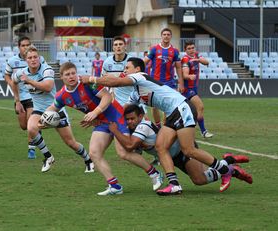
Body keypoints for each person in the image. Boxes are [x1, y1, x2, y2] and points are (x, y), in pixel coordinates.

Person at [81, 57, 239, 195]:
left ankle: (225, 170)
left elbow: (116, 82)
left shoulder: (140, 76)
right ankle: (174, 185)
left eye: (127, 67)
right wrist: (99, 118)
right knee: (161, 147)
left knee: (189, 149)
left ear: (137, 69)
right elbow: (122, 111)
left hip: (182, 108)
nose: (124, 70)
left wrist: (92, 79)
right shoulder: (136, 92)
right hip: (172, 113)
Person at [43, 62, 162, 195]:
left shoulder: (87, 82)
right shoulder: (61, 95)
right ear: (61, 77)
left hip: (116, 116)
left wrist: (95, 112)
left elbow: (107, 97)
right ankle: (114, 186)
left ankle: (154, 173)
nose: (71, 76)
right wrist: (42, 121)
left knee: (123, 153)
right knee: (94, 153)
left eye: (73, 73)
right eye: (67, 74)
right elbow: (52, 109)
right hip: (101, 122)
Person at [109, 104, 252, 191]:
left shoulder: (144, 125)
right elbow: (135, 150)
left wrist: (115, 131)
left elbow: (129, 146)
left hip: (182, 149)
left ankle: (229, 165)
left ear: (140, 116)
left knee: (199, 178)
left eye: (132, 118)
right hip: (173, 157)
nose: (130, 122)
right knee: (200, 180)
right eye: (127, 120)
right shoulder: (134, 131)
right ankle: (229, 165)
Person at [12, 46, 94, 173]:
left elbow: (48, 87)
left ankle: (88, 160)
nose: (33, 60)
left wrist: (29, 81)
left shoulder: (47, 70)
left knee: (70, 142)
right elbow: (13, 81)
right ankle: (48, 157)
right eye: (30, 58)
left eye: (35, 57)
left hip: (56, 109)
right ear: (25, 60)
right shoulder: (21, 73)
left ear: (39, 58)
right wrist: (17, 100)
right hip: (39, 110)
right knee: (31, 128)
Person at [4, 36, 45, 159]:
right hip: (20, 97)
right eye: (23, 45)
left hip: (34, 95)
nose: (26, 47)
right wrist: (12, 84)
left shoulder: (38, 59)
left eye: (28, 45)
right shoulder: (12, 61)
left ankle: (31, 149)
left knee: (32, 123)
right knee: (23, 125)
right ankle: (37, 134)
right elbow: (7, 75)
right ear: (19, 47)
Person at [144, 28, 184, 128]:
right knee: (154, 105)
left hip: (169, 81)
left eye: (168, 34)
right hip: (155, 81)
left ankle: (165, 125)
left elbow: (178, 67)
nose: (166, 36)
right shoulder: (154, 49)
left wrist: (181, 82)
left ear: (171, 37)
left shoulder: (174, 51)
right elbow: (145, 61)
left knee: (168, 104)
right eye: (164, 34)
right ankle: (158, 126)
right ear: (161, 36)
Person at [182, 41, 213, 138]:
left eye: (192, 48)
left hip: (194, 88)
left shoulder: (197, 56)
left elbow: (207, 62)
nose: (191, 50)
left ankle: (186, 129)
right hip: (187, 89)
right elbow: (184, 74)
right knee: (200, 107)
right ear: (185, 50)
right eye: (189, 48)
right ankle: (203, 131)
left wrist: (198, 59)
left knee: (191, 111)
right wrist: (189, 76)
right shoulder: (185, 60)